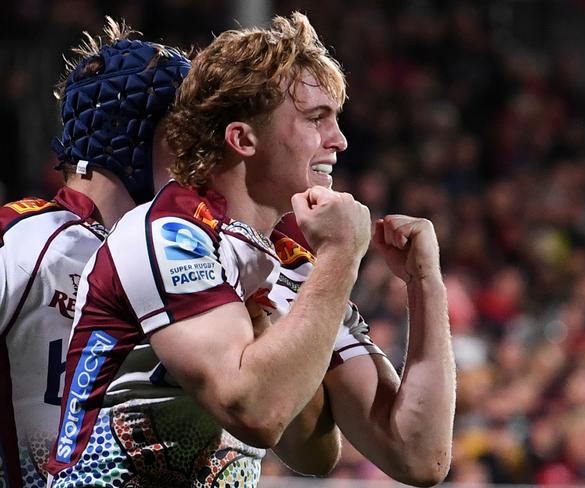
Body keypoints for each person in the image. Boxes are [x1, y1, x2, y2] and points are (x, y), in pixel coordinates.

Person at [46, 13, 367, 488]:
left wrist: (423, 280)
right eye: (316, 118)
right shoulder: (151, 234)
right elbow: (255, 410)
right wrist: (341, 257)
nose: (338, 140)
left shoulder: (272, 260)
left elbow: (319, 452)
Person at [0, 18, 191, 488]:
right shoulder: (23, 240)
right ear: (133, 138)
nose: (198, 157)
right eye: (182, 136)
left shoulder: (188, 254)